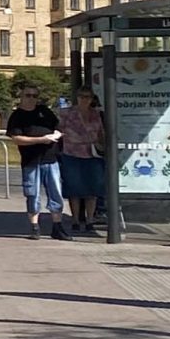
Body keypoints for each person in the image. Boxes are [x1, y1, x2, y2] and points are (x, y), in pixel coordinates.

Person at [4, 84, 64, 238]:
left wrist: (55, 135)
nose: (31, 99)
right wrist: (40, 140)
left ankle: (57, 226)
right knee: (32, 193)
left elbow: (58, 126)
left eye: (34, 96)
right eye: (28, 95)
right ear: (22, 97)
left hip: (50, 158)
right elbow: (16, 138)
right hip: (31, 160)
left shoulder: (44, 111)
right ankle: (35, 227)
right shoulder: (17, 116)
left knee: (55, 192)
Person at [59, 90, 108, 238]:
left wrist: (102, 145)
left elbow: (101, 133)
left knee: (92, 189)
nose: (84, 100)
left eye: (87, 97)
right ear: (77, 97)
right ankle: (75, 219)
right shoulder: (67, 113)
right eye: (81, 96)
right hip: (72, 153)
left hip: (92, 154)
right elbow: (60, 130)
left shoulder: (96, 114)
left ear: (92, 98)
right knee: (74, 188)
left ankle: (89, 220)